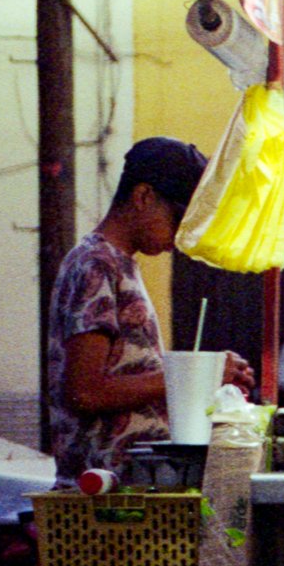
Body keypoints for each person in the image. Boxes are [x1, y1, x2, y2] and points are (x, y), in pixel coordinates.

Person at [46, 137, 253, 483]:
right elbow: (85, 391)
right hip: (102, 494)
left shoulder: (119, 264)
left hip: (133, 485)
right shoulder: (95, 264)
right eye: (180, 219)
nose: (181, 236)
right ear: (143, 196)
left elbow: (129, 368)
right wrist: (196, 376)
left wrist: (207, 371)